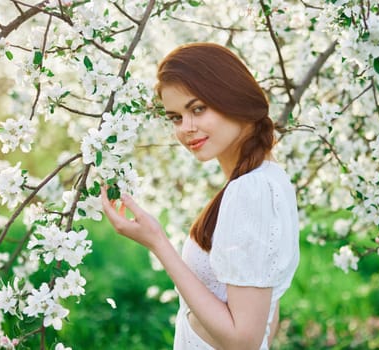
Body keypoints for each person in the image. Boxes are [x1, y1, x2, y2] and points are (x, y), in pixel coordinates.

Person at [101, 42, 300, 350]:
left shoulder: (251, 189)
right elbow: (267, 316)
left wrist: (157, 242)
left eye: (197, 109)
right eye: (175, 117)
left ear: (231, 98)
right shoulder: (268, 178)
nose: (186, 129)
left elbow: (244, 340)